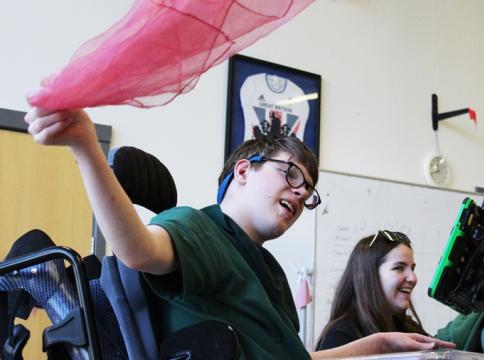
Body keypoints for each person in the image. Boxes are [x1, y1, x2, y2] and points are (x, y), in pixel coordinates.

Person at [24, 107, 454, 359]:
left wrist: (378, 343)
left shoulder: (266, 269)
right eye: (291, 175)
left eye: (309, 191)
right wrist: (85, 146)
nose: (302, 195)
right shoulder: (198, 227)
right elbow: (137, 250)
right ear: (244, 170)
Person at [316, 230, 431, 350]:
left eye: (412, 268)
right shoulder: (340, 336)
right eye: (399, 268)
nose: (413, 278)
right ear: (369, 275)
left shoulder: (408, 327)